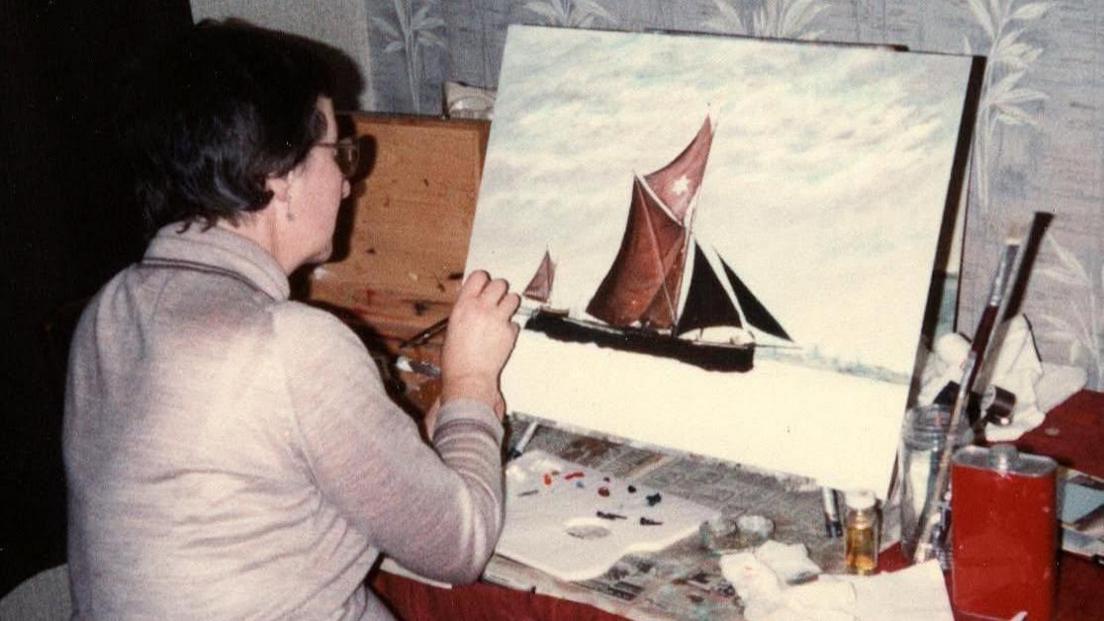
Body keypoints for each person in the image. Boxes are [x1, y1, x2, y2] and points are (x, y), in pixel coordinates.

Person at [63, 20, 519, 620]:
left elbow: (241, 502)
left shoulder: (111, 308)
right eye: (339, 152)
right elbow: (461, 546)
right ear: (278, 179)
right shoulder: (290, 345)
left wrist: (416, 449)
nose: (348, 181)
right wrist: (471, 385)